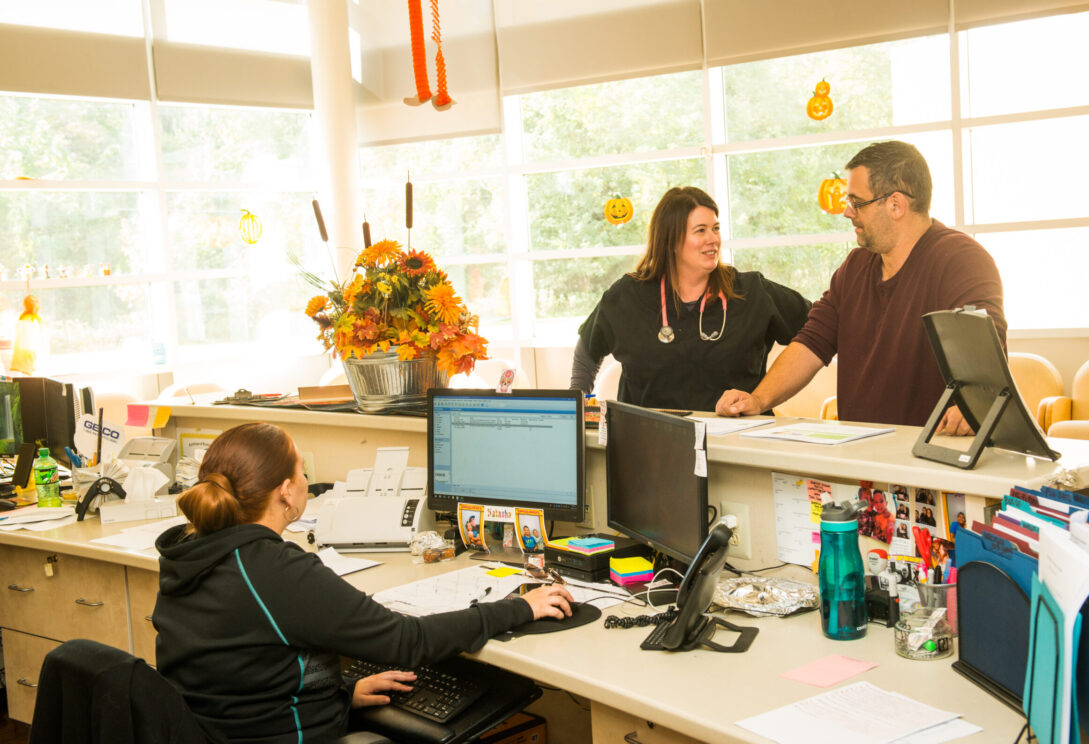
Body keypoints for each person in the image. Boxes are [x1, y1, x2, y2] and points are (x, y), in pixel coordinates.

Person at [153, 422, 573, 744]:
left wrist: (340, 694)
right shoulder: (271, 569)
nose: (304, 482)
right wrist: (519, 607)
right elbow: (406, 642)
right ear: (285, 492)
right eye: (301, 472)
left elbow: (239, 672)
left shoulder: (188, 552)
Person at [717, 141, 1005, 431]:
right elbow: (811, 343)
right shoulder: (855, 266)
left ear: (895, 204)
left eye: (857, 202)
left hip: (932, 460)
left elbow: (986, 341)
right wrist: (757, 400)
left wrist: (975, 404)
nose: (847, 212)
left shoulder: (960, 259)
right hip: (862, 456)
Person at [573, 186, 811, 411]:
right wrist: (576, 409)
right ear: (671, 241)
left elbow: (818, 332)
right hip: (651, 444)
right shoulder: (628, 295)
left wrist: (762, 398)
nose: (713, 239)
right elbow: (587, 350)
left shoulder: (752, 292)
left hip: (732, 444)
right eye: (701, 230)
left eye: (715, 228)